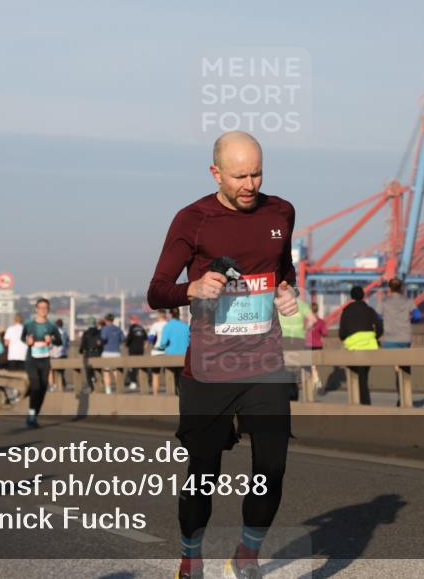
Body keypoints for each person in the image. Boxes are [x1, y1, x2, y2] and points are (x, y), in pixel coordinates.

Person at [146, 131, 299, 579]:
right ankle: (191, 556)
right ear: (216, 173)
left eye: (257, 173)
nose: (250, 184)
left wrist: (288, 291)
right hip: (210, 369)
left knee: (272, 466)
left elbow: (282, 268)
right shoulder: (193, 219)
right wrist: (191, 288)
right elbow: (157, 292)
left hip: (264, 362)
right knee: (204, 472)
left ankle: (246, 556)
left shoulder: (280, 211)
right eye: (239, 176)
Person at [338, 285, 382, 405]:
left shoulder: (346, 311)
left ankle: (361, 404)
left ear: (351, 296)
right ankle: (364, 403)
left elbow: (342, 333)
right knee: (364, 376)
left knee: (357, 377)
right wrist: (375, 336)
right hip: (370, 347)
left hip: (353, 348)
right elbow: (380, 326)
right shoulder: (369, 310)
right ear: (363, 296)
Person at [21, 299, 61, 427]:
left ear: (48, 310)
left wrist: (52, 339)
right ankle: (32, 415)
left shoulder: (51, 326)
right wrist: (28, 341)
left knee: (43, 388)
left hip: (44, 360)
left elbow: (59, 341)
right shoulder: (29, 324)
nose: (43, 310)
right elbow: (23, 337)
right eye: (40, 308)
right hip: (31, 360)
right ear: (36, 309)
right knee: (36, 385)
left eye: (45, 308)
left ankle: (33, 415)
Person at [382, 278, 415, 407]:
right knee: (406, 367)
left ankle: (401, 397)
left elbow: (378, 316)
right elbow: (418, 315)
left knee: (397, 368)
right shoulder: (408, 300)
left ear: (389, 288)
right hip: (405, 337)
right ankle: (406, 396)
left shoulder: (385, 301)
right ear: (401, 288)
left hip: (391, 338)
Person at [304, 302, 328, 394]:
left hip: (307, 345)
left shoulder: (305, 321)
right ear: (317, 309)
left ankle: (316, 383)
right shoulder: (321, 321)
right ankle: (316, 383)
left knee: (311, 367)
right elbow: (325, 333)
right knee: (314, 366)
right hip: (318, 346)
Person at [99, 314, 125, 394]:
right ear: (113, 320)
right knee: (116, 372)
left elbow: (103, 339)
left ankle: (108, 390)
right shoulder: (118, 329)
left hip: (107, 352)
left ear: (106, 320)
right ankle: (119, 389)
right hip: (117, 352)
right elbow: (123, 339)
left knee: (106, 372)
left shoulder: (105, 329)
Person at [146, 309, 169, 395]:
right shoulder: (168, 324)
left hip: (156, 352)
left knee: (155, 375)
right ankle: (170, 393)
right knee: (168, 374)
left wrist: (146, 345)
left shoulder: (155, 325)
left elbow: (151, 338)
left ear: (159, 316)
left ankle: (155, 395)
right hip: (166, 352)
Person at [124, 315, 148, 392]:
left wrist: (126, 344)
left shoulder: (132, 328)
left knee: (132, 366)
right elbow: (146, 338)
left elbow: (129, 338)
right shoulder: (141, 328)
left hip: (133, 349)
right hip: (141, 349)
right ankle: (144, 382)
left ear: (132, 320)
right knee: (140, 366)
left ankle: (133, 382)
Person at [79, 318, 103, 391]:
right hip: (97, 353)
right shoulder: (99, 332)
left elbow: (83, 344)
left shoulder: (86, 333)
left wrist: (80, 351)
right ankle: (99, 384)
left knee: (88, 371)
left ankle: (91, 386)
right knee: (98, 369)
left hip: (88, 353)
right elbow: (101, 343)